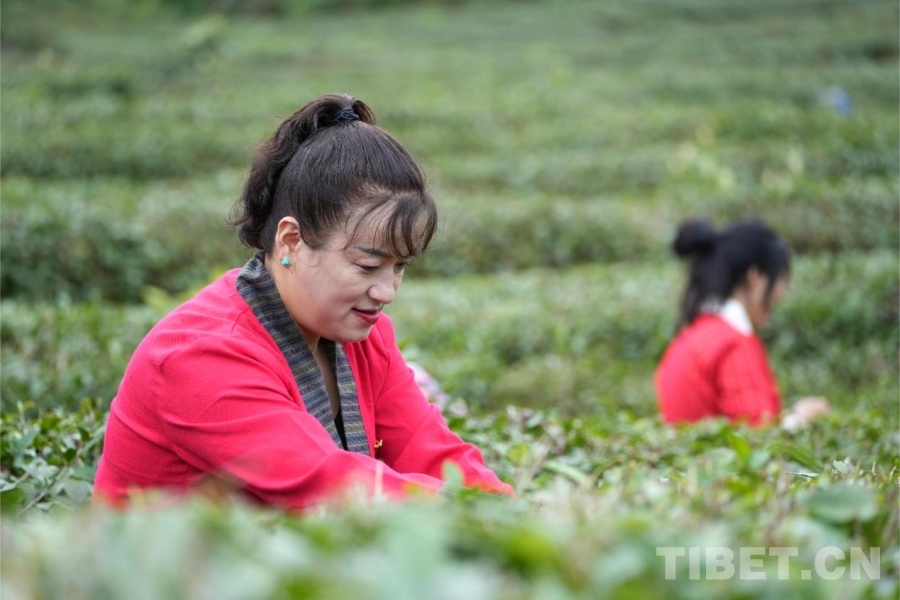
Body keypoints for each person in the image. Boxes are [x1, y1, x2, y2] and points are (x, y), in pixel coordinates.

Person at [94, 93, 513, 509]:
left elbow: (434, 453)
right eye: (368, 266)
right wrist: (481, 513)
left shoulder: (368, 339)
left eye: (399, 266)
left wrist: (508, 510)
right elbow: (329, 486)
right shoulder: (198, 356)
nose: (386, 291)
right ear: (291, 240)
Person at [655, 219, 831, 427]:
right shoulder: (732, 344)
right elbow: (758, 431)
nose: (781, 294)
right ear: (754, 277)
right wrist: (802, 418)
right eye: (780, 280)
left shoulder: (691, 337)